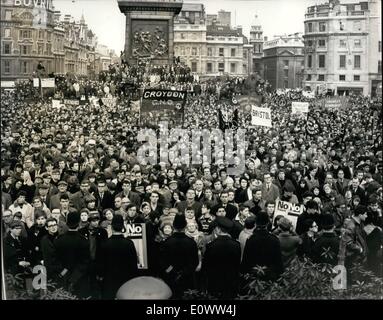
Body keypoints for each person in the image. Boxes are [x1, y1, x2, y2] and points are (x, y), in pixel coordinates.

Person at [97, 215, 138, 300]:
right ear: (123, 227)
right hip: (125, 280)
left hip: (109, 280)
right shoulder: (129, 243)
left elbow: (100, 264)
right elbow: (134, 264)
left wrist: (100, 276)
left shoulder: (104, 243)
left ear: (111, 227)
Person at [159, 213, 199, 298]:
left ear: (173, 226)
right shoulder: (191, 242)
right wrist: (183, 273)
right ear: (185, 226)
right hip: (187, 279)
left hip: (171, 279)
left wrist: (173, 272)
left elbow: (163, 263)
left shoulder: (166, 242)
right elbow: (194, 262)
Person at [201, 217, 241, 299]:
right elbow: (237, 264)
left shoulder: (211, 245)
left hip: (215, 280)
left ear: (218, 229)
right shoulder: (236, 245)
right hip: (230, 280)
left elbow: (206, 265)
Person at [54, 211, 91, 298]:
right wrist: (74, 278)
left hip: (63, 277)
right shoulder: (84, 241)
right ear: (78, 223)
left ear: (67, 223)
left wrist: (63, 273)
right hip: (79, 279)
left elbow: (56, 259)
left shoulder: (59, 240)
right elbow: (85, 262)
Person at [241, 212, 283, 281]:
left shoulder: (251, 239)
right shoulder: (274, 239)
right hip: (270, 275)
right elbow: (278, 261)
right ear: (267, 223)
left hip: (254, 275)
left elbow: (246, 259)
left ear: (256, 223)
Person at [40, 217, 62, 283]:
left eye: (55, 225)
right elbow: (45, 256)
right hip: (49, 271)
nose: (53, 227)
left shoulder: (62, 238)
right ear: (46, 228)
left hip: (61, 270)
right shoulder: (44, 240)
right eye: (51, 226)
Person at [363, 211, 382, 276]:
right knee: (376, 270)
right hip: (376, 252)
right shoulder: (377, 230)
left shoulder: (362, 229)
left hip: (367, 253)